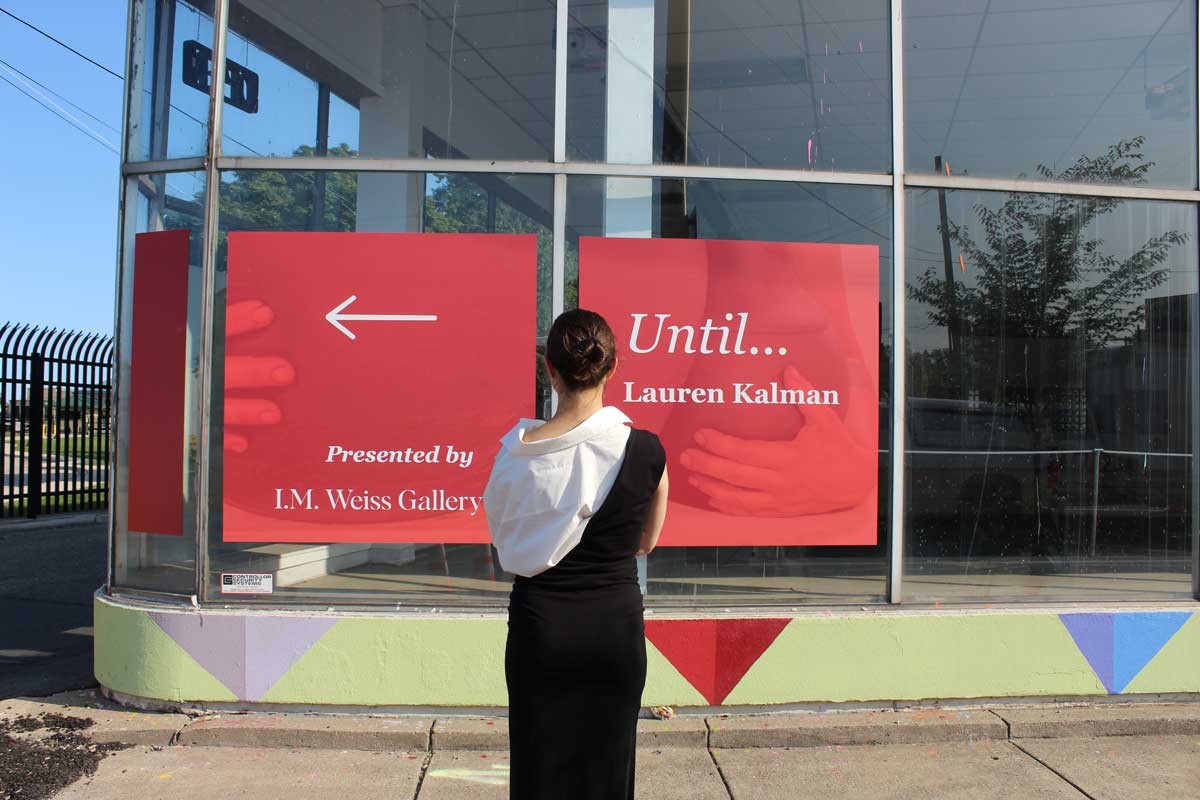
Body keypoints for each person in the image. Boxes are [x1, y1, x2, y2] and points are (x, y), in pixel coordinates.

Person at [483, 308, 669, 800]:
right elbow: (646, 541)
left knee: (538, 769)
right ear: (613, 367)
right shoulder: (648, 451)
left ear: (550, 369)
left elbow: (506, 543)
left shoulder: (513, 456)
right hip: (614, 630)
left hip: (540, 631)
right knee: (608, 770)